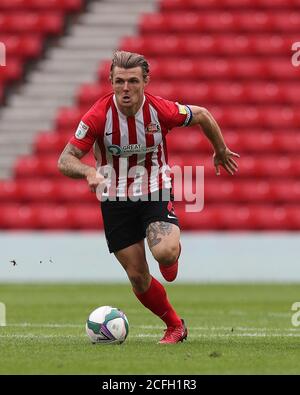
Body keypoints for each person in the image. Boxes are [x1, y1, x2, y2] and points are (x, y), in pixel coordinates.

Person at [58, 51, 239, 344]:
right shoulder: (98, 115)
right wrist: (87, 172)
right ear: (111, 82)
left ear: (145, 81)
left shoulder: (160, 111)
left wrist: (219, 148)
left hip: (154, 188)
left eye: (132, 81)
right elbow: (65, 159)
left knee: (164, 253)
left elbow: (203, 114)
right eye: (119, 81)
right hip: (115, 199)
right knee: (138, 277)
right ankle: (175, 326)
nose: (125, 88)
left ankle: (170, 257)